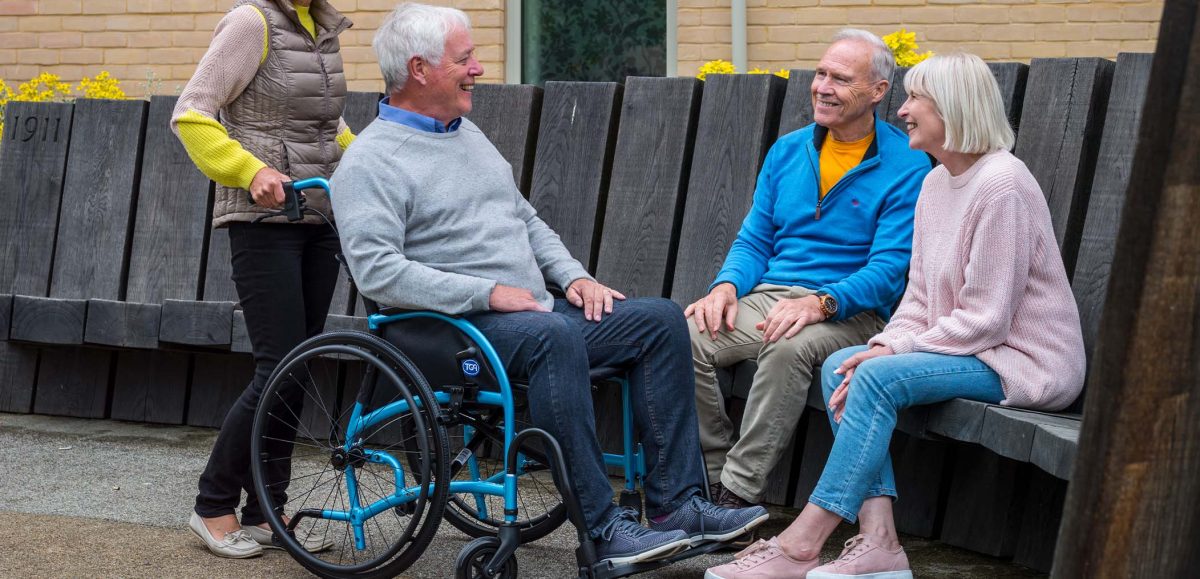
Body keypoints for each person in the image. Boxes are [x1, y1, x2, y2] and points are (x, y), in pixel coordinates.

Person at [330, 2, 769, 566]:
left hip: (526, 319)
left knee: (659, 320)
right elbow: (377, 272)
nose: (478, 69)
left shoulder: (467, 136)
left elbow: (527, 221)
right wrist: (485, 294)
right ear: (420, 69)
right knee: (552, 338)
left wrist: (576, 278)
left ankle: (676, 506)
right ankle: (604, 532)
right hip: (446, 331)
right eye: (465, 59)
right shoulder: (370, 162)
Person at [705, 52, 1087, 579]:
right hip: (968, 348)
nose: (903, 110)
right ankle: (880, 541)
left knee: (874, 374)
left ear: (951, 110)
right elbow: (919, 300)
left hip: (1022, 361)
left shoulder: (1003, 185)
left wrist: (894, 347)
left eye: (915, 100)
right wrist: (887, 342)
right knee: (846, 362)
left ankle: (802, 544)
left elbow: (988, 318)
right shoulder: (936, 184)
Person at [687, 29, 932, 513]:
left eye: (840, 79)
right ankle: (707, 476)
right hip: (771, 295)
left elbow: (888, 270)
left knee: (787, 349)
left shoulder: (908, 165)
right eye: (821, 73)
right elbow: (755, 238)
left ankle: (735, 493)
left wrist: (821, 303)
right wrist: (727, 285)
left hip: (851, 311)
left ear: (879, 93)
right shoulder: (787, 150)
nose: (823, 87)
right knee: (682, 334)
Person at [171, 0, 354, 559]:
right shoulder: (252, 23)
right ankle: (212, 505)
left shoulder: (321, 27)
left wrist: (370, 162)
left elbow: (329, 128)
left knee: (296, 368)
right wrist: (250, 171)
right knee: (277, 364)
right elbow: (192, 113)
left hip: (319, 214)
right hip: (264, 219)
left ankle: (268, 511)